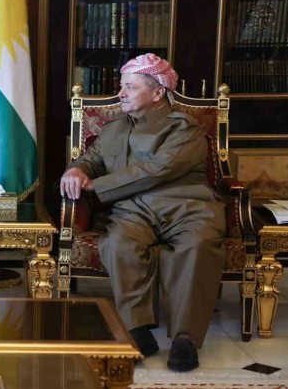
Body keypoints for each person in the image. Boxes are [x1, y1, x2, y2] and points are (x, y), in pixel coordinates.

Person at [59, 53, 226, 372]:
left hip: (188, 208)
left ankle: (185, 340)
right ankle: (137, 331)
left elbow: (159, 169)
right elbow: (91, 159)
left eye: (130, 87)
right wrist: (77, 170)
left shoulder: (185, 128)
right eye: (122, 86)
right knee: (118, 243)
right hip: (132, 209)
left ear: (158, 92)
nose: (120, 93)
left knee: (197, 246)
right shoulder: (113, 129)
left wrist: (96, 185)